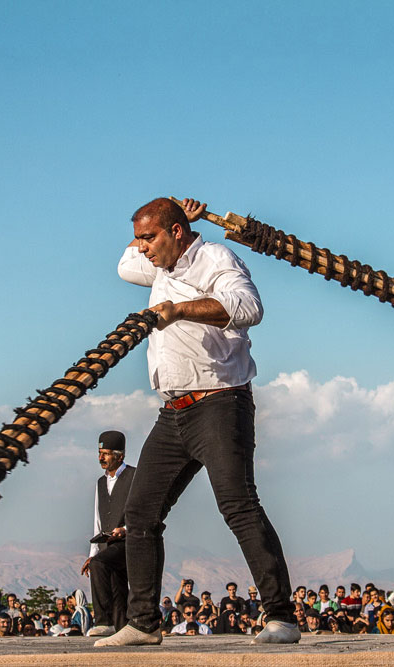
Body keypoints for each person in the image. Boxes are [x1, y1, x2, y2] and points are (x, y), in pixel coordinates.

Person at [95, 198, 297, 647]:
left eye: (150, 237)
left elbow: (248, 307)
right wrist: (156, 233)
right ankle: (144, 622)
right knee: (140, 514)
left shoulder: (216, 258)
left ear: (177, 232)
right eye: (140, 238)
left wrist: (180, 309)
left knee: (238, 506)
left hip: (220, 403)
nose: (142, 247)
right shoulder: (158, 268)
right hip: (173, 412)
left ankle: (281, 617)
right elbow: (125, 264)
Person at [80, 431, 136, 636]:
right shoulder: (100, 483)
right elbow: (98, 519)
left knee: (100, 565)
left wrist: (126, 529)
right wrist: (93, 553)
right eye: (99, 453)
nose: (101, 458)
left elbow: (145, 511)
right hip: (106, 544)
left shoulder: (134, 476)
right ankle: (121, 630)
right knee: (117, 588)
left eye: (106, 453)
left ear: (120, 456)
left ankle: (102, 620)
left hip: (129, 542)